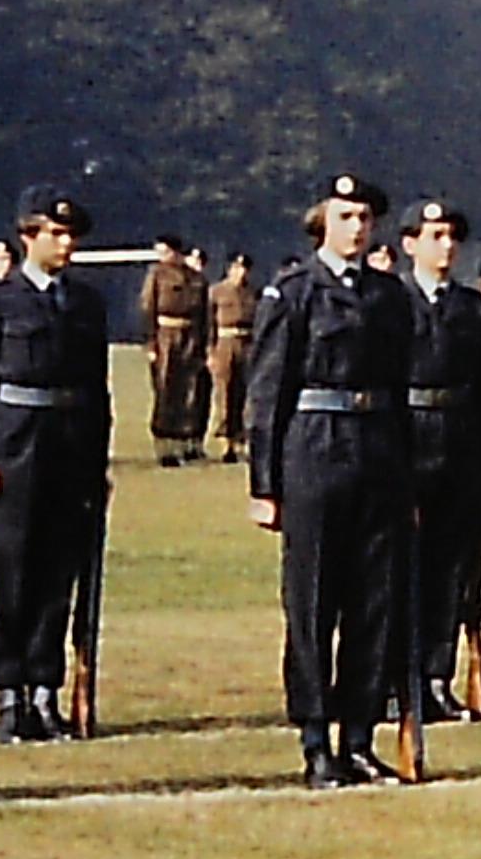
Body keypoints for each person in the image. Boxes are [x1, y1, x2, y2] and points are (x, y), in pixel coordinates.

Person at [244, 172, 417, 787]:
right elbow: (267, 394)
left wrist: (409, 478)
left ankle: (361, 736)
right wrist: (264, 485)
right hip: (314, 450)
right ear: (323, 221)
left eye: (365, 218)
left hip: (378, 453)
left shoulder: (389, 296)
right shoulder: (292, 293)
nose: (357, 228)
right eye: (345, 217)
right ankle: (316, 740)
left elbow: (401, 389)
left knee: (375, 603)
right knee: (314, 602)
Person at [0, 186, 112, 743]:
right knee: (12, 571)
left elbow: (97, 390)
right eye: (56, 233)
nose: (67, 244)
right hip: (15, 446)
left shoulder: (86, 304)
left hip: (69, 448)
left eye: (71, 235)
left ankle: (46, 690)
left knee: (58, 573)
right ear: (29, 236)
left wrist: (98, 462)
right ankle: (10, 692)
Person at [397, 201, 481, 722]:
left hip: (460, 442)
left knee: (450, 569)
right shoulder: (392, 302)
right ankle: (395, 678)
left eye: (452, 236)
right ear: (410, 243)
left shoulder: (474, 308)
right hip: (407, 437)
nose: (446, 245)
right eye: (435, 234)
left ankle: (436, 676)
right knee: (400, 567)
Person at [139, 235, 205, 466]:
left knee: (188, 393)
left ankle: (182, 445)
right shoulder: (157, 275)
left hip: (191, 338)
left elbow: (204, 315)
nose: (162, 257)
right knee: (165, 390)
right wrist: (151, 343)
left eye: (165, 252)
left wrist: (204, 345)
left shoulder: (196, 279)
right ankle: (163, 446)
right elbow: (148, 308)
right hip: (165, 336)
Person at [207, 251, 256, 465]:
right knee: (225, 393)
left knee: (245, 394)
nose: (241, 273)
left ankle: (241, 441)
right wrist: (210, 350)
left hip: (247, 344)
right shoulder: (217, 292)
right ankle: (225, 442)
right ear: (229, 269)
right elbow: (208, 323)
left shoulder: (254, 293)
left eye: (244, 268)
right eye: (237, 268)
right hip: (224, 343)